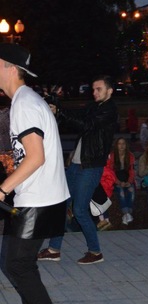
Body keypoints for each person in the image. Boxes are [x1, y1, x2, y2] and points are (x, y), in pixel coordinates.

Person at [0, 43, 70, 304]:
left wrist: (3, 189)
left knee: (17, 264)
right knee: (20, 263)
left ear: (9, 67)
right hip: (40, 196)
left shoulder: (25, 104)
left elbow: (35, 156)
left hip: (39, 198)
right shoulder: (25, 100)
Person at [38, 75, 118, 264]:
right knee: (61, 205)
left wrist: (61, 111)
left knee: (80, 210)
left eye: (98, 89)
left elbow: (86, 124)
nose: (94, 92)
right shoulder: (93, 107)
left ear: (110, 91)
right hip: (76, 165)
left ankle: (95, 252)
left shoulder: (109, 110)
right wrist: (57, 105)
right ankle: (54, 249)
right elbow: (76, 114)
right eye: (93, 89)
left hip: (90, 167)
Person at [105, 137, 135, 226]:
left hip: (126, 179)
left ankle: (128, 214)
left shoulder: (130, 156)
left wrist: (129, 182)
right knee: (121, 192)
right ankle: (126, 213)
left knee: (132, 191)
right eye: (119, 144)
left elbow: (132, 171)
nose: (121, 146)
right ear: (116, 145)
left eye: (123, 144)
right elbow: (110, 172)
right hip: (115, 180)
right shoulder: (112, 156)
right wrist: (118, 182)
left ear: (126, 145)